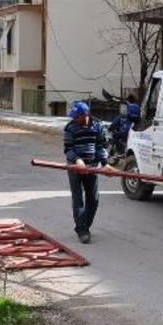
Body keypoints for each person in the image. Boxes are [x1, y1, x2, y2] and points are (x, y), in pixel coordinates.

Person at [64, 101, 111, 244]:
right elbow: (68, 149)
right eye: (74, 117)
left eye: (77, 117)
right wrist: (78, 161)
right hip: (75, 168)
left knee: (94, 200)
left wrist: (105, 163)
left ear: (85, 115)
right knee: (78, 199)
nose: (75, 119)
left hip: (92, 168)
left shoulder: (97, 127)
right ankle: (82, 231)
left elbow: (101, 146)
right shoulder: (70, 128)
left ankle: (84, 226)